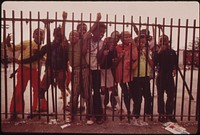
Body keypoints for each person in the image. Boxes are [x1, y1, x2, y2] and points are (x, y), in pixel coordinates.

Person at [17, 12, 69, 114]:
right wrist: (22, 61)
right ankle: (39, 108)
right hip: (50, 69)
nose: (59, 36)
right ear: (54, 35)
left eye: (60, 34)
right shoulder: (48, 46)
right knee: (41, 90)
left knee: (62, 88)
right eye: (57, 34)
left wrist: (64, 20)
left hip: (61, 70)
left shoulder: (65, 45)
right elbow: (37, 57)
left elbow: (63, 32)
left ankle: (65, 105)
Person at [6, 27, 45, 120]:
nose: (39, 35)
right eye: (37, 33)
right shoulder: (27, 42)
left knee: (38, 89)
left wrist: (39, 55)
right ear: (33, 35)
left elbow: (45, 59)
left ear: (43, 36)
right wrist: (8, 43)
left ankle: (36, 108)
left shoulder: (43, 48)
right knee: (19, 89)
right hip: (23, 69)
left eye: (41, 34)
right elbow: (13, 49)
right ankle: (14, 110)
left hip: (34, 70)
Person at [84, 16, 106, 124]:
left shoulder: (102, 43)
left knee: (96, 92)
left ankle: (98, 115)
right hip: (87, 69)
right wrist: (96, 21)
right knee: (87, 92)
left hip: (96, 69)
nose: (102, 34)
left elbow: (99, 58)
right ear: (94, 31)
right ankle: (88, 114)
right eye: (100, 31)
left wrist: (102, 48)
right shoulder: (87, 39)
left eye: (103, 32)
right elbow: (88, 33)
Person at [153, 34, 178, 122]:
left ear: (168, 41)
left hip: (169, 76)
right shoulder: (156, 52)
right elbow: (153, 63)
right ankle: (161, 114)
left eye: (165, 40)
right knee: (160, 95)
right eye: (160, 40)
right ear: (158, 42)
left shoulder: (172, 52)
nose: (163, 42)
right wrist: (159, 52)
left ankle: (169, 113)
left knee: (171, 95)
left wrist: (175, 69)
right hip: (160, 75)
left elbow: (175, 62)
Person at [114, 31, 138, 120]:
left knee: (131, 92)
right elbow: (114, 61)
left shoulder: (132, 47)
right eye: (125, 37)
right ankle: (128, 111)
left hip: (129, 71)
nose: (128, 38)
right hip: (120, 71)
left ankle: (131, 110)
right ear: (121, 38)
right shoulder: (117, 47)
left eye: (129, 37)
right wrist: (120, 56)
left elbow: (135, 57)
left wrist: (134, 45)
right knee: (125, 92)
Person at [97, 37, 122, 119]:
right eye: (110, 43)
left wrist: (119, 58)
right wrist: (104, 55)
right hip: (101, 71)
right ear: (106, 43)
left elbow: (114, 64)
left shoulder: (113, 51)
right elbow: (100, 63)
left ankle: (121, 108)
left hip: (108, 70)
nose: (112, 44)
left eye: (113, 43)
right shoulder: (102, 50)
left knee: (114, 89)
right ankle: (102, 108)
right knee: (103, 89)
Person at [131, 33, 153, 126]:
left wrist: (147, 55)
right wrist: (138, 56)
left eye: (144, 42)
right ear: (136, 43)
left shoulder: (147, 51)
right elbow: (132, 67)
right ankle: (135, 116)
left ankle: (147, 113)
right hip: (136, 77)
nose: (142, 44)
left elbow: (152, 64)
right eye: (140, 42)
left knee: (148, 96)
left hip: (146, 76)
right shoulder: (133, 52)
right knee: (138, 98)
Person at [104, 31, 120, 111]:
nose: (116, 38)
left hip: (114, 69)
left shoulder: (118, 47)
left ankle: (113, 104)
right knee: (105, 87)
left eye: (118, 36)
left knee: (114, 87)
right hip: (105, 68)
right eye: (115, 36)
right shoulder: (106, 43)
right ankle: (105, 103)